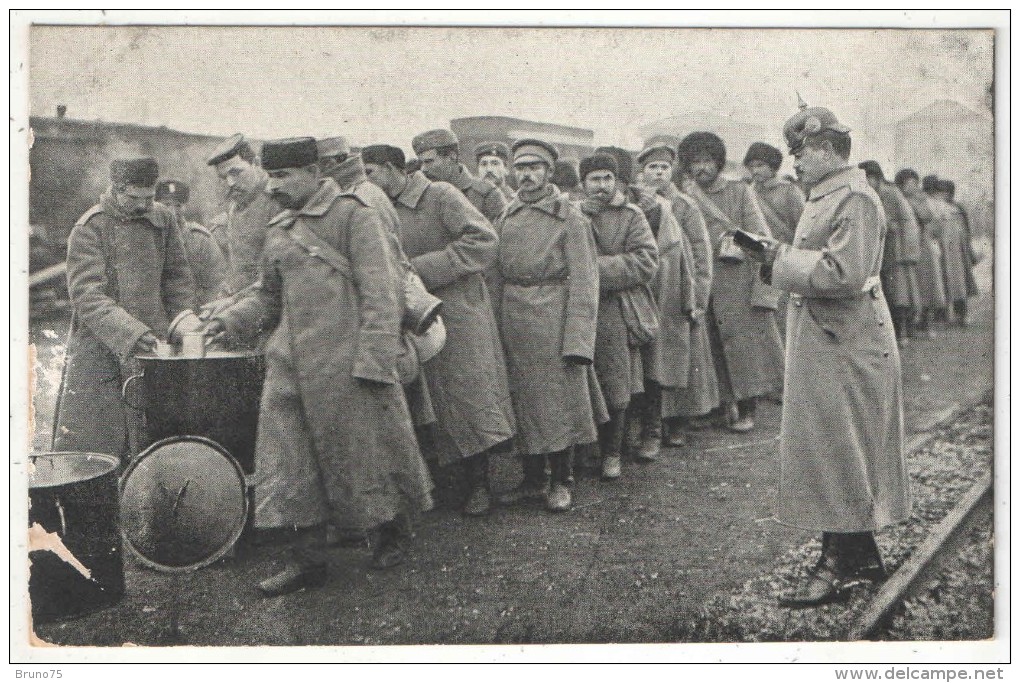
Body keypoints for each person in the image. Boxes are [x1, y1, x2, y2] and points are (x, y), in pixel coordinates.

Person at [203, 138, 433, 596]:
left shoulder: (354, 216)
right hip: (289, 365)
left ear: (312, 172)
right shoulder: (280, 226)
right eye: (270, 176)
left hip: (347, 362)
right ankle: (306, 560)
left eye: (283, 177)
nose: (273, 186)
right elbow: (268, 295)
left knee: (368, 456)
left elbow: (383, 293)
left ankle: (392, 533)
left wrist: (374, 360)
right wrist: (230, 318)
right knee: (288, 464)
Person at [741, 106, 907, 608]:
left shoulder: (854, 197)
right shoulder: (828, 195)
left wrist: (776, 260)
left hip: (848, 343)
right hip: (830, 339)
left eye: (800, 152)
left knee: (839, 448)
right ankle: (858, 558)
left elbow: (845, 273)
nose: (795, 162)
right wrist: (778, 254)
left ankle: (838, 562)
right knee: (830, 448)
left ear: (829, 150)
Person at [363, 143, 515, 517]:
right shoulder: (377, 209)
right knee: (428, 400)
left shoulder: (440, 195)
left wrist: (421, 269)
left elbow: (483, 240)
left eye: (371, 172)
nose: (367, 181)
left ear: (391, 169)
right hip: (415, 314)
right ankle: (447, 484)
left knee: (468, 399)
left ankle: (481, 485)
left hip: (459, 309)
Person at [53, 157, 196, 460]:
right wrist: (131, 333)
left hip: (155, 346)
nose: (145, 206)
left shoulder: (163, 220)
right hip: (102, 348)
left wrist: (183, 319)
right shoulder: (89, 227)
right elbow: (87, 295)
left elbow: (177, 277)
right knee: (98, 443)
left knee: (154, 437)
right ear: (117, 189)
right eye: (136, 198)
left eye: (150, 197)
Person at [492, 139, 603, 512]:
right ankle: (531, 478)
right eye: (520, 167)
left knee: (558, 403)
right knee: (523, 402)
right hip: (513, 317)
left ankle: (561, 479)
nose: (526, 175)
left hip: (552, 317)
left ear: (549, 173)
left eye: (534, 167)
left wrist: (578, 340)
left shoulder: (569, 217)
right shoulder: (506, 215)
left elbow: (586, 280)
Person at [677, 131, 784, 433]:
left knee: (743, 349)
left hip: (735, 279)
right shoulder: (685, 196)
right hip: (702, 279)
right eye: (695, 162)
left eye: (708, 161)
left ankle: (748, 409)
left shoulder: (740, 192)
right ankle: (724, 407)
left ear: (719, 162)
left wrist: (732, 236)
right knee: (710, 347)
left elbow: (763, 239)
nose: (702, 168)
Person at [577, 153, 659, 480]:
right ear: (583, 183)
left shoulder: (630, 215)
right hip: (577, 309)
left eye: (607, 178)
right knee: (581, 377)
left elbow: (646, 261)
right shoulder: (571, 214)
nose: (601, 185)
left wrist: (591, 270)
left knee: (615, 380)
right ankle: (587, 448)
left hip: (613, 305)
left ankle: (613, 452)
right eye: (594, 179)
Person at [638, 143, 719, 445]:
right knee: (649, 357)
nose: (658, 173)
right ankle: (650, 423)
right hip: (647, 287)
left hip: (677, 290)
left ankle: (679, 423)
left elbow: (700, 251)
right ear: (642, 172)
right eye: (652, 167)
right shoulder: (636, 203)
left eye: (664, 167)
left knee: (682, 355)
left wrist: (699, 297)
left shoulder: (685, 205)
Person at [205, 133, 280, 300]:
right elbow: (239, 269)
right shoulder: (235, 207)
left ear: (256, 164)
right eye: (224, 178)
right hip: (246, 302)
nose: (230, 183)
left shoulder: (277, 201)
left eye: (236, 172)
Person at [858, 161, 921, 344]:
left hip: (896, 250)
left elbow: (904, 222)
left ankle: (903, 332)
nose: (867, 182)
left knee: (898, 294)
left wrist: (907, 251)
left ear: (877, 178)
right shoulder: (868, 194)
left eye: (870, 178)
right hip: (880, 250)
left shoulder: (890, 193)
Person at [412, 128, 508, 225]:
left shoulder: (486, 193)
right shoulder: (423, 193)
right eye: (421, 163)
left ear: (452, 156)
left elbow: (502, 234)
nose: (423, 169)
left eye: (429, 161)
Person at [155, 180, 227, 306]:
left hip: (194, 311)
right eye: (166, 205)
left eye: (178, 205)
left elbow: (216, 283)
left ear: (185, 207)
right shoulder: (149, 236)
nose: (172, 211)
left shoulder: (201, 239)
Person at [895, 169, 947, 336]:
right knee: (909, 288)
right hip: (906, 246)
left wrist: (919, 202)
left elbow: (928, 217)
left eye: (915, 183)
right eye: (909, 184)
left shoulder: (920, 200)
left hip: (923, 245)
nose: (913, 187)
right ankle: (910, 326)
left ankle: (926, 323)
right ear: (901, 185)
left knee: (927, 285)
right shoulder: (899, 199)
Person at [931, 179, 978, 326]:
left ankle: (962, 314)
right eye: (938, 192)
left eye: (944, 192)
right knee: (942, 281)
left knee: (958, 283)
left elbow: (965, 231)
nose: (941, 195)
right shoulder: (936, 208)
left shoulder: (957, 209)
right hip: (942, 250)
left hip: (957, 252)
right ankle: (942, 315)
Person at [743, 142, 804, 246]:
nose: (755, 171)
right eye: (751, 166)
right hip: (756, 252)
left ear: (772, 166)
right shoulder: (747, 192)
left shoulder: (789, 191)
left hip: (783, 253)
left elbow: (803, 228)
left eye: (760, 165)